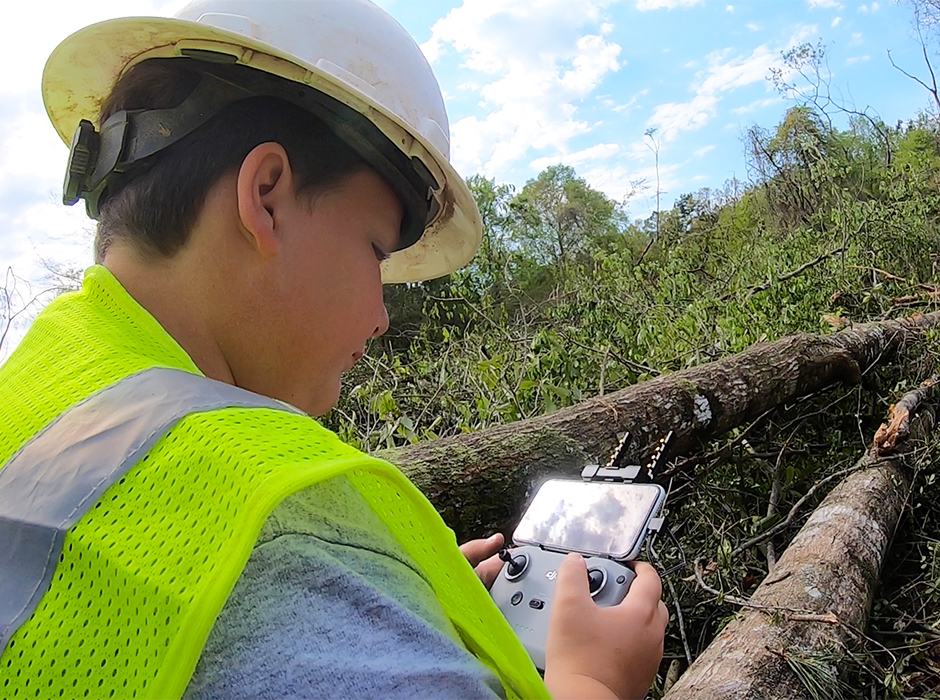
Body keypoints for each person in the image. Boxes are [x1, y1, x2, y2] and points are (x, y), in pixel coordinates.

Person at [0, 1, 668, 698]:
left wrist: (389, 623)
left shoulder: (37, 392)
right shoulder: (277, 550)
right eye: (375, 253)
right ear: (265, 197)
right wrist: (593, 681)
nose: (381, 317)